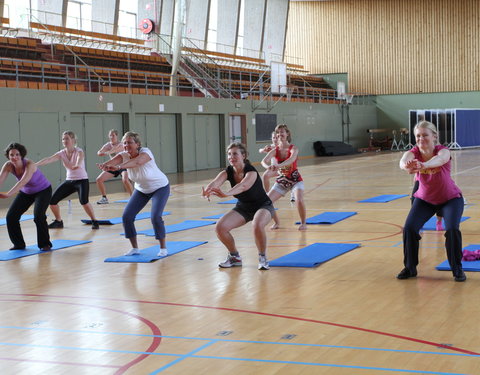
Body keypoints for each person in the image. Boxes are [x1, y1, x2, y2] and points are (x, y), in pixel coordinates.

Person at [398, 121, 465, 282]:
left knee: (452, 229)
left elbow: (440, 161)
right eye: (418, 136)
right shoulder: (413, 153)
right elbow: (402, 161)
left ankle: (457, 269)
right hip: (425, 200)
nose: (421, 138)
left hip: (450, 199)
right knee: (409, 228)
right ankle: (410, 268)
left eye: (425, 135)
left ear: (434, 136)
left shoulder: (443, 151)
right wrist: (406, 166)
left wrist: (423, 165)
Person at [202, 142, 275, 270]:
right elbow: (215, 182)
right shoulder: (228, 171)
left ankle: (262, 257)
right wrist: (208, 190)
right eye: (229, 154)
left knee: (257, 225)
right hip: (244, 208)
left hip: (263, 205)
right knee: (220, 228)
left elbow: (243, 186)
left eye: (235, 154)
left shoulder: (251, 171)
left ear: (244, 155)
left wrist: (226, 194)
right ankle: (234, 257)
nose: (231, 157)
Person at [97, 131, 170, 257]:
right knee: (127, 216)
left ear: (137, 144)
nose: (126, 145)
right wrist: (105, 166)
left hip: (160, 187)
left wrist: (119, 167)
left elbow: (137, 162)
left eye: (129, 143)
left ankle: (163, 248)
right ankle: (135, 248)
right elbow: (112, 162)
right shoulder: (123, 155)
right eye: (124, 143)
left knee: (155, 217)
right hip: (141, 189)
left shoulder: (146, 152)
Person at [36, 131, 99, 230]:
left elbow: (80, 157)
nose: (65, 141)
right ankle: (58, 221)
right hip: (69, 181)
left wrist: (77, 164)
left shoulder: (79, 151)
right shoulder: (61, 153)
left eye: (67, 139)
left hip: (81, 180)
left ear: (73, 140)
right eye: (63, 139)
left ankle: (94, 221)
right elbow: (49, 159)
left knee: (84, 201)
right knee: (52, 201)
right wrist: (35, 165)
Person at [0, 143, 52, 251]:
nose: (14, 157)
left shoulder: (29, 164)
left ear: (21, 155)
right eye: (11, 155)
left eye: (17, 154)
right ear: (8, 156)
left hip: (43, 191)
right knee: (11, 217)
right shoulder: (8, 165)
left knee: (38, 216)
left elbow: (23, 181)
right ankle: (18, 244)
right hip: (26, 193)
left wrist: (9, 194)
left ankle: (45, 244)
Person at [261, 124, 307, 230]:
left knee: (298, 200)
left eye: (282, 132)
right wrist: (268, 167)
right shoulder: (275, 150)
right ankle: (277, 222)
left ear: (287, 134)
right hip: (282, 182)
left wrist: (278, 166)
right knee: (267, 202)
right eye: (277, 132)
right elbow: (263, 161)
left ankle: (303, 223)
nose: (279, 134)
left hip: (295, 180)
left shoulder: (293, 148)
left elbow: (291, 159)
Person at [95, 129, 133, 204]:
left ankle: (133, 197)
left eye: (113, 135)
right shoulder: (108, 145)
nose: (111, 137)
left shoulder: (122, 144)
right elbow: (99, 152)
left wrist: (108, 151)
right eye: (110, 135)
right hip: (113, 167)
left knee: (125, 180)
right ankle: (104, 198)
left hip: (123, 165)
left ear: (117, 136)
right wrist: (103, 152)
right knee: (99, 179)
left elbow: (116, 150)